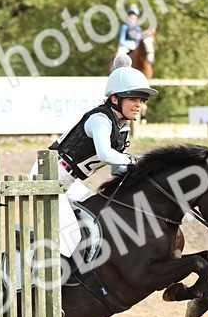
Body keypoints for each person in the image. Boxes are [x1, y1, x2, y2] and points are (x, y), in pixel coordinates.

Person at [46, 56, 157, 258]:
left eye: (142, 100)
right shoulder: (100, 120)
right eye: (133, 98)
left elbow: (117, 168)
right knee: (70, 239)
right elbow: (106, 154)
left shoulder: (123, 127)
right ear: (115, 99)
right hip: (48, 177)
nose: (139, 105)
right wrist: (133, 160)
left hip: (69, 182)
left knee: (99, 219)